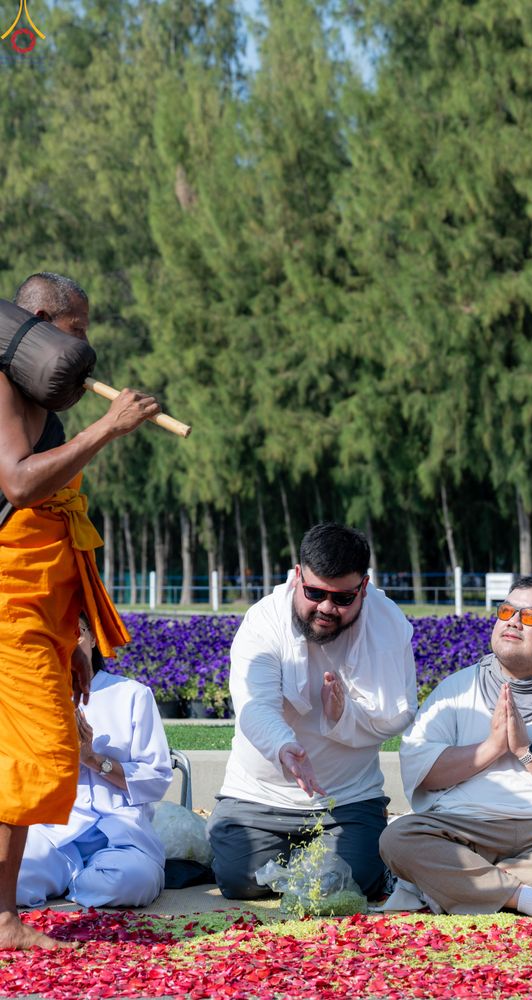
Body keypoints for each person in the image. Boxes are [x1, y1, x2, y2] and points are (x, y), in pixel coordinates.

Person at [0, 272, 160, 949]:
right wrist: (109, 427)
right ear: (37, 320)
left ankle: (2, 917)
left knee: (27, 757)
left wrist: (70, 639)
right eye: (77, 332)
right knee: (33, 756)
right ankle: (4, 920)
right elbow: (17, 482)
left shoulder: (36, 395)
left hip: (38, 612)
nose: (86, 348)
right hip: (8, 605)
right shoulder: (5, 386)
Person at [380, 576, 532, 921]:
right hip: (464, 827)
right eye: (507, 611)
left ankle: (455, 886)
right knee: (397, 838)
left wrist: (526, 750)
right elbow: (419, 769)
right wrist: (491, 748)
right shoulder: (456, 689)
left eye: (530, 617)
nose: (512, 621)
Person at [207, 522, 418, 901]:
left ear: (364, 588)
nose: (326, 607)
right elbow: (255, 705)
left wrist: (342, 713)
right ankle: (297, 856)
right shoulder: (263, 621)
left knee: (352, 884)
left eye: (342, 599)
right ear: (297, 576)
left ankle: (346, 857)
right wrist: (284, 745)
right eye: (315, 592)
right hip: (260, 795)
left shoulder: (388, 625)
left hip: (347, 801)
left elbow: (397, 714)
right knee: (238, 881)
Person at [17, 616, 172, 908]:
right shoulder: (33, 700)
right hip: (53, 834)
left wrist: (92, 759)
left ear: (94, 639)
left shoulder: (132, 695)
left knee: (132, 880)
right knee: (13, 877)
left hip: (120, 834)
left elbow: (157, 778)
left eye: (76, 631)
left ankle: (71, 883)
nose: (66, 640)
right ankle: (75, 879)